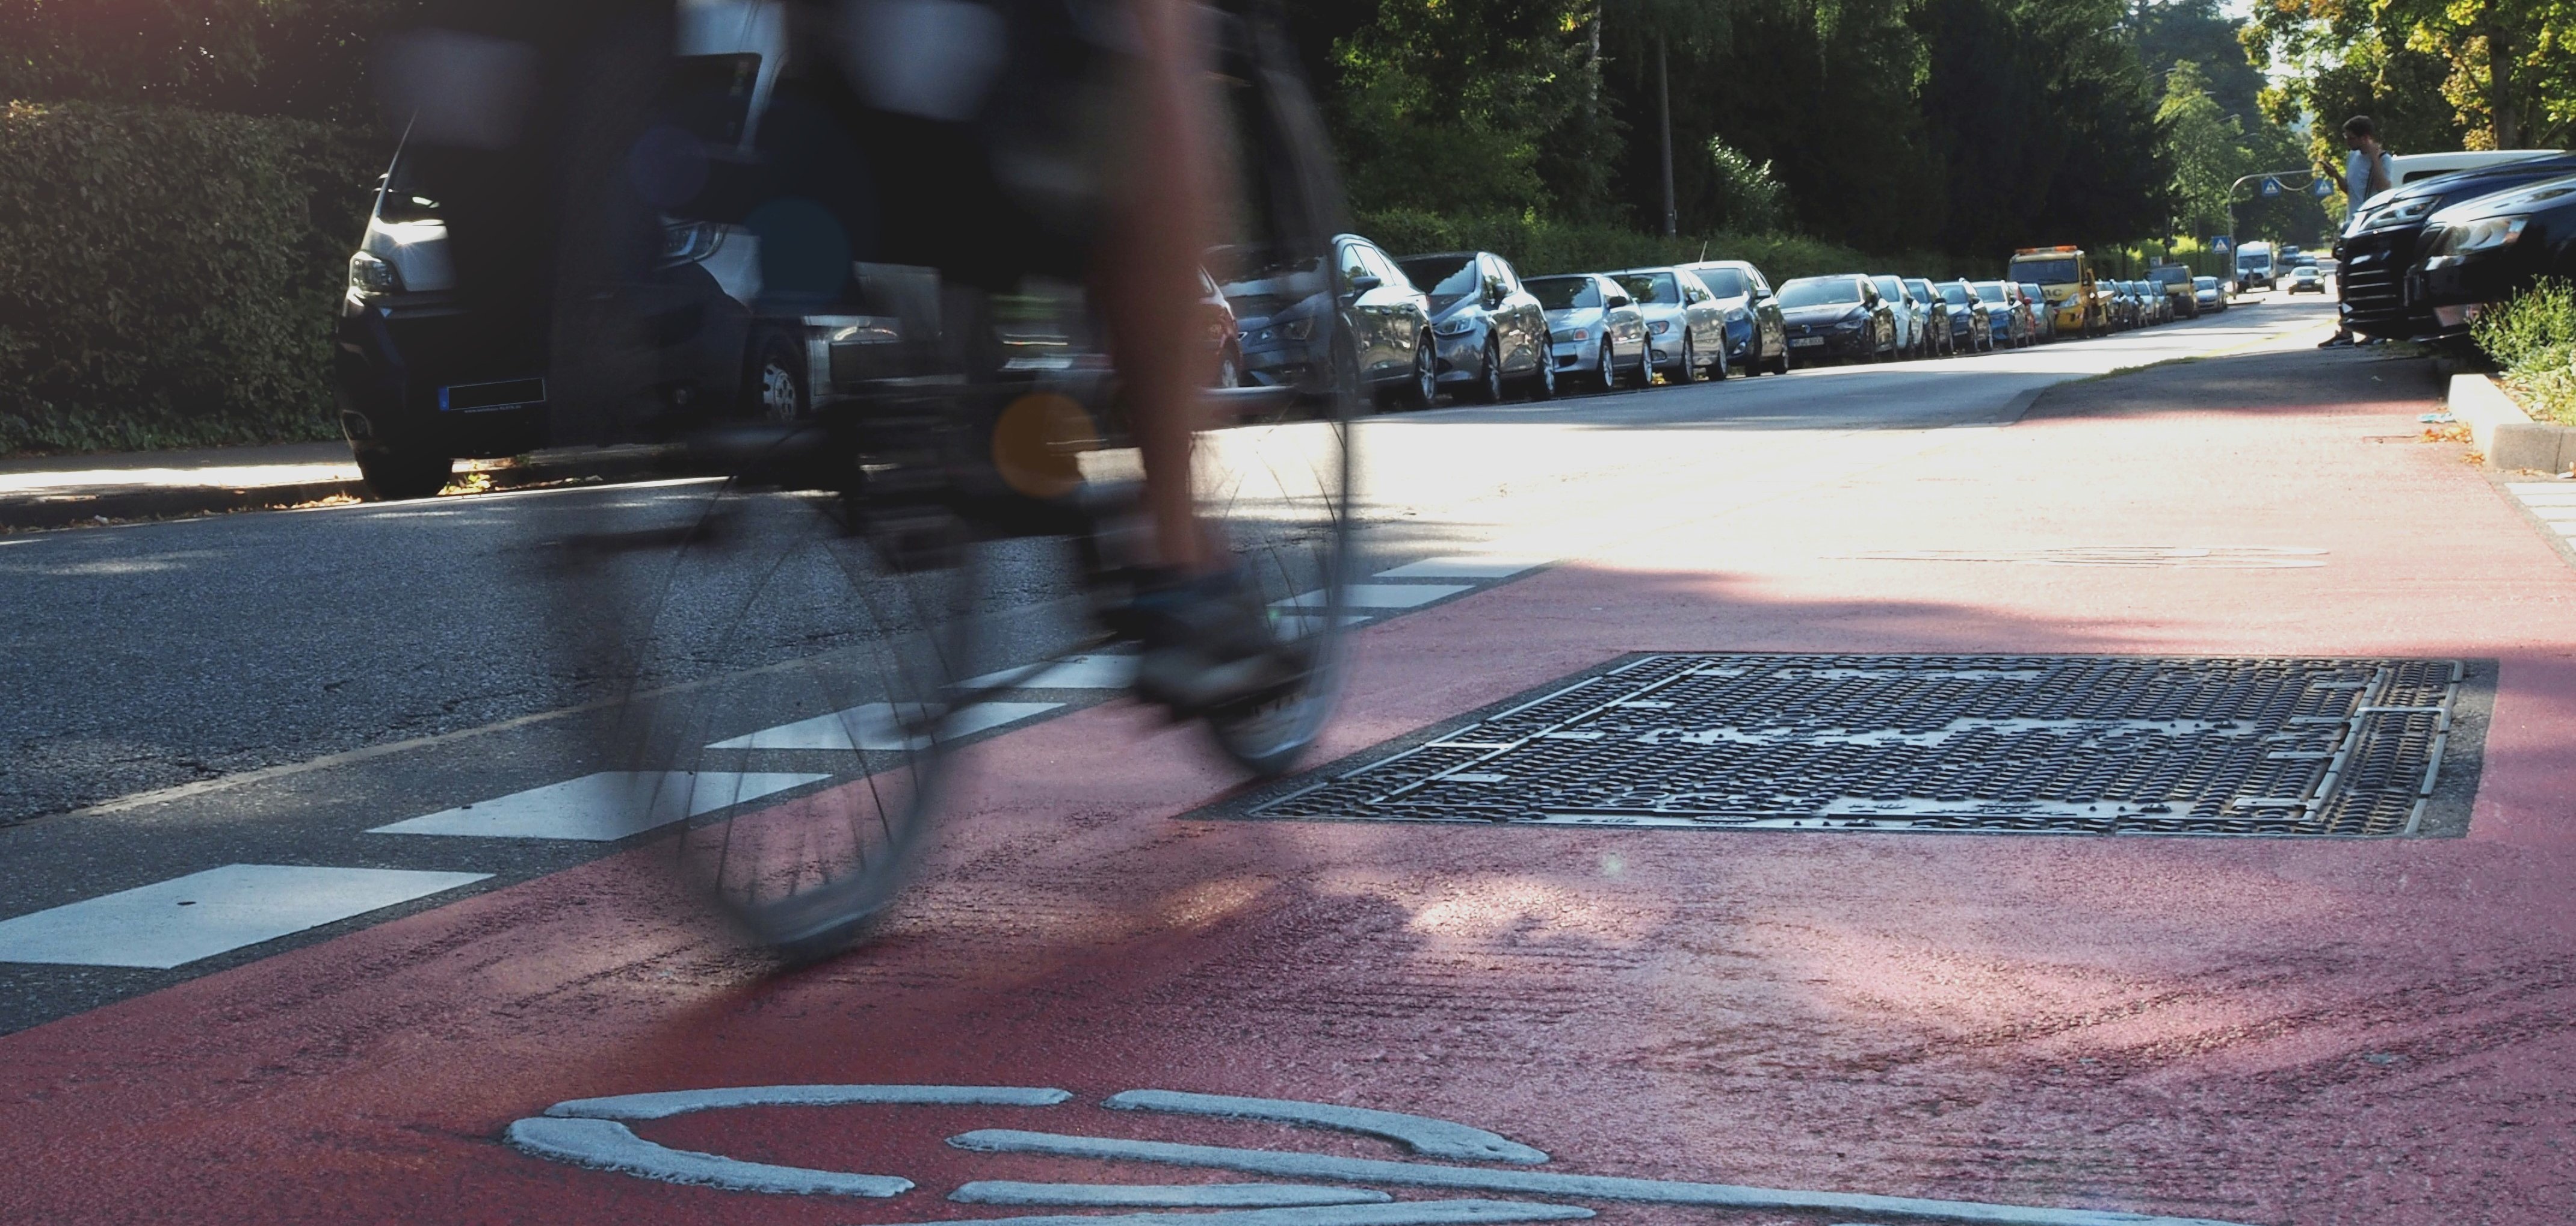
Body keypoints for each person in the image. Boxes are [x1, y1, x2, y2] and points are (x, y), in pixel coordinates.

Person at [2321, 115, 2394, 347]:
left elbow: (2384, 189)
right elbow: (2350, 191)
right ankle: (2347, 329)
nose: (2347, 142)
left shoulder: (2384, 159)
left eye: (2351, 138)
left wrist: (2374, 158)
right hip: (2351, 225)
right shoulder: (2352, 157)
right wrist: (2336, 176)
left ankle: (2377, 330)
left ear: (2365, 137)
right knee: (2343, 278)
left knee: (2367, 277)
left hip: (2371, 226)